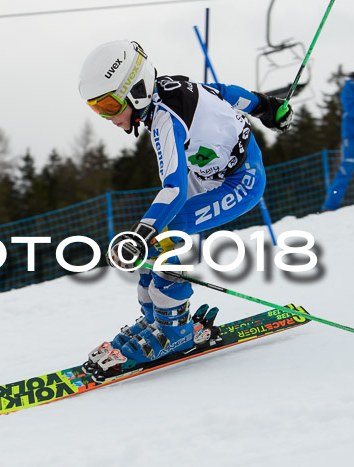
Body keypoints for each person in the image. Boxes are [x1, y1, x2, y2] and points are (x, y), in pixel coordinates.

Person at [77, 40, 293, 378]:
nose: (106, 116)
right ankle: (158, 321)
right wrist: (264, 106)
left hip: (239, 181)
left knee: (162, 234)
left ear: (135, 91)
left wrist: (140, 234)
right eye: (96, 109)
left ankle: (175, 333)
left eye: (108, 105)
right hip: (209, 173)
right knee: (154, 241)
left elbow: (175, 190)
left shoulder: (165, 120)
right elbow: (223, 93)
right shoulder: (167, 88)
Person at [322, 49, 354, 211]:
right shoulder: (351, 85)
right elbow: (350, 108)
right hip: (353, 135)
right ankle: (330, 206)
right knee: (346, 169)